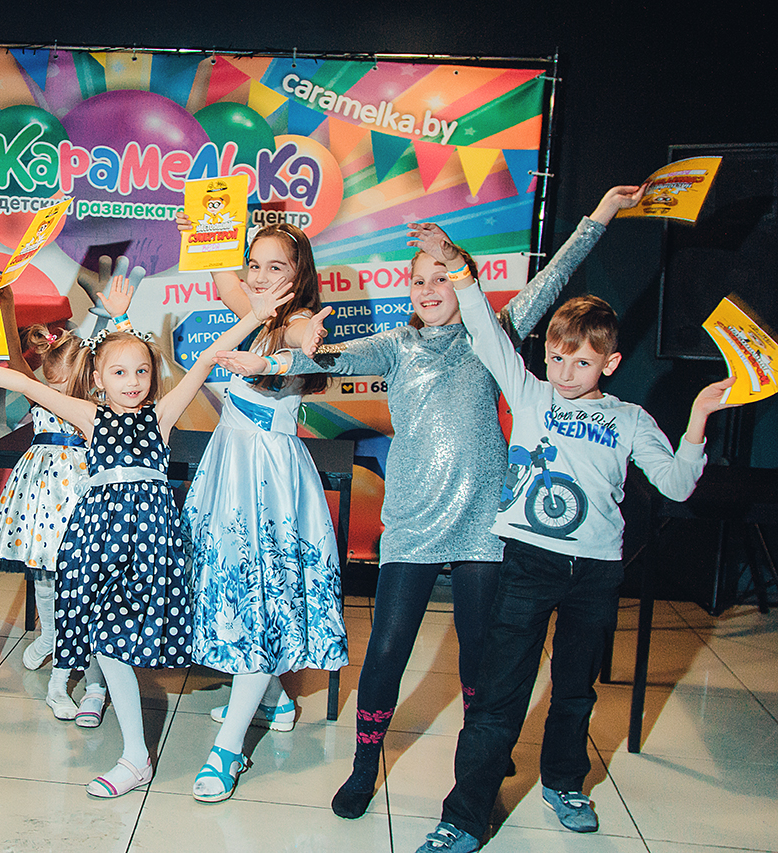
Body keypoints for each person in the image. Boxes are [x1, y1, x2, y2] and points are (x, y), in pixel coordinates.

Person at [215, 187, 645, 817]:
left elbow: (554, 278)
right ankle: (364, 765)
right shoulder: (398, 344)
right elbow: (332, 357)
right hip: (412, 524)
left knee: (479, 659)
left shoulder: (493, 334)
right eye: (418, 279)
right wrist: (272, 361)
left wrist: (600, 213)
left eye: (441, 276)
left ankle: (481, 755)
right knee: (386, 652)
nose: (427, 288)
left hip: (482, 527)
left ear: (462, 279)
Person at [408, 222, 735, 852]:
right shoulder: (530, 393)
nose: (564, 371)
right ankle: (463, 817)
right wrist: (455, 264)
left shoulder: (630, 419)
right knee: (499, 694)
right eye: (557, 357)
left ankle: (563, 782)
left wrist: (698, 419)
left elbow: (675, 486)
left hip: (595, 571)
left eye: (581, 361)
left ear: (609, 364)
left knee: (576, 689)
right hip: (528, 562)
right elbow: (484, 329)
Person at [0, 278, 293, 799]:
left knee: (143, 638)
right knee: (106, 641)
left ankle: (243, 703)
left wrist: (255, 316)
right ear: (96, 380)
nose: (133, 381)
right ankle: (134, 756)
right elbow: (26, 383)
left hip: (151, 545)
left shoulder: (161, 415)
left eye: (142, 371)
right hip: (98, 539)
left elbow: (208, 358)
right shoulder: (88, 415)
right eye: (119, 373)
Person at [179, 223, 348, 804]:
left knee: (257, 596)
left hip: (268, 477)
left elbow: (301, 348)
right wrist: (204, 235)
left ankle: (228, 749)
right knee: (240, 592)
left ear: (299, 274)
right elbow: (225, 279)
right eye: (255, 264)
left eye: (276, 267)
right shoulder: (256, 309)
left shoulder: (298, 320)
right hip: (229, 465)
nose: (259, 276)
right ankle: (274, 698)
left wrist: (289, 351)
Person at [0, 277, 136, 722]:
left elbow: (126, 362)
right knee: (44, 573)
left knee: (80, 580)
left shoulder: (98, 402)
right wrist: (6, 307)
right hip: (42, 494)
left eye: (65, 386)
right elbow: (13, 361)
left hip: (84, 495)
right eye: (51, 384)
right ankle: (49, 634)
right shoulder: (38, 389)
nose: (56, 394)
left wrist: (119, 317)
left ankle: (66, 664)